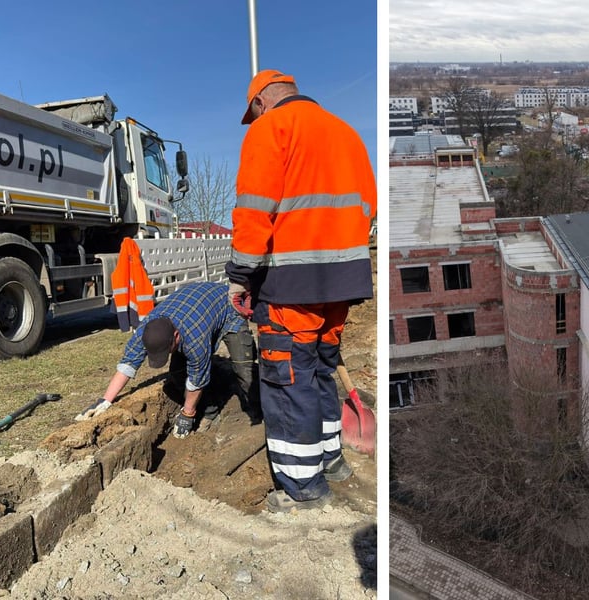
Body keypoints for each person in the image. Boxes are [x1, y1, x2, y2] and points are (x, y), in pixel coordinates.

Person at [227, 69, 376, 512]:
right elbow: (367, 206)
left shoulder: (270, 128)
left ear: (260, 102)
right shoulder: (346, 133)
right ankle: (331, 459)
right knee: (320, 371)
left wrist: (241, 276)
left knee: (287, 379)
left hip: (291, 285)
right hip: (342, 283)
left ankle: (302, 487)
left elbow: (254, 210)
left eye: (253, 114)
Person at [75, 281, 258, 439]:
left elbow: (196, 379)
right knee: (177, 374)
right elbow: (127, 364)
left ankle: (256, 412)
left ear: (176, 336)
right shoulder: (146, 329)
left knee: (244, 369)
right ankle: (210, 410)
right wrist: (105, 400)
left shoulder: (195, 341)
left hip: (226, 307)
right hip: (194, 309)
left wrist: (188, 414)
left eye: (167, 351)